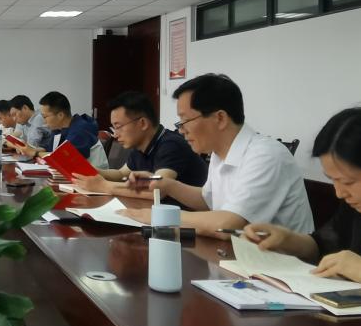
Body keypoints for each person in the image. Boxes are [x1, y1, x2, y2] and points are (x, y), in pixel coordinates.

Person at [246, 108, 361, 309]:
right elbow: (327, 246)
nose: (339, 193)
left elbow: (355, 265)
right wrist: (288, 240)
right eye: (333, 180)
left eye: (348, 182)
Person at [121, 73, 313, 238]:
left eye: (185, 120)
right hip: (238, 256)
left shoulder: (266, 155)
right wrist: (168, 185)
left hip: (280, 265)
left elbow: (228, 225)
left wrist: (159, 217)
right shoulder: (219, 153)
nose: (181, 130)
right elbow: (208, 200)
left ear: (220, 118)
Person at [73, 91, 207, 196]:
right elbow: (121, 174)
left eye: (118, 127)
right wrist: (90, 171)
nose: (115, 134)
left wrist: (104, 186)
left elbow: (156, 191)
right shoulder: (140, 146)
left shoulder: (171, 145)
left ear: (142, 123)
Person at [29, 91, 104, 168]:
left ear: (60, 115)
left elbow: (64, 159)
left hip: (94, 174)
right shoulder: (58, 129)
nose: (44, 121)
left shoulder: (80, 130)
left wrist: (35, 153)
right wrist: (30, 150)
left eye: (45, 117)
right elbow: (49, 148)